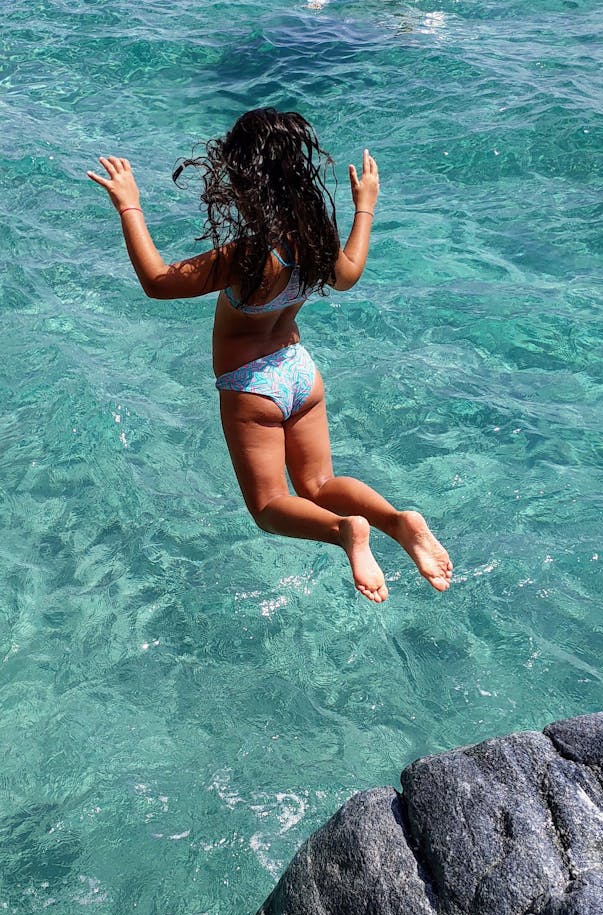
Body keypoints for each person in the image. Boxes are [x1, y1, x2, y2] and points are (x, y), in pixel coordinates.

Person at [87, 108, 452, 603]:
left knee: (268, 505)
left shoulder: (247, 256)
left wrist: (130, 206)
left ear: (244, 183)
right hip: (300, 373)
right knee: (319, 483)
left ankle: (347, 532)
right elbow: (349, 276)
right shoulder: (315, 242)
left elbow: (157, 282)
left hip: (252, 386)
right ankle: (397, 520)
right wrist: (365, 206)